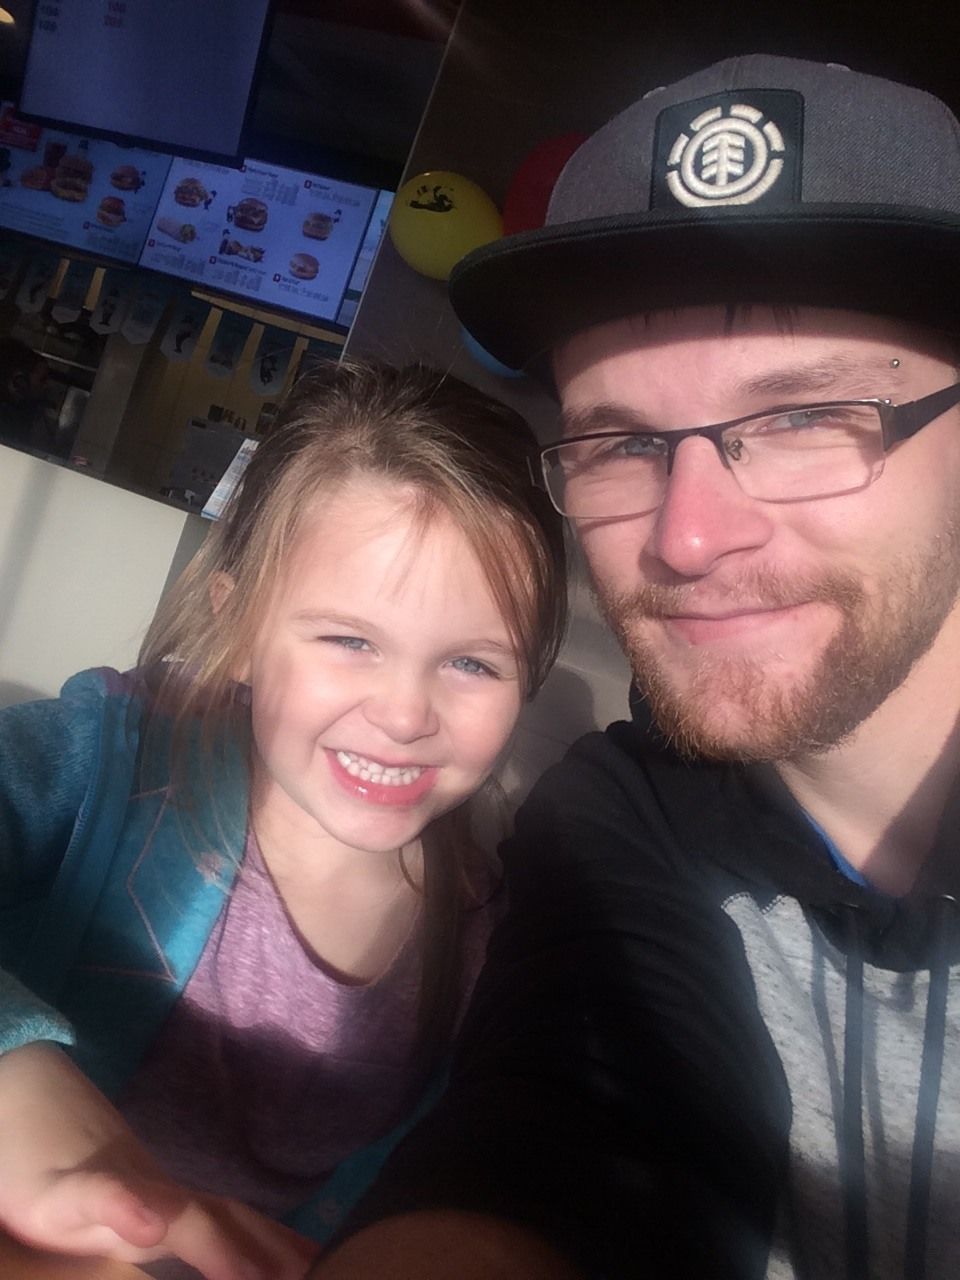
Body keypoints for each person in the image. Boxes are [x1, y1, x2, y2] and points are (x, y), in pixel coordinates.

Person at [310, 55, 960, 1280]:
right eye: (620, 442)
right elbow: (544, 1137)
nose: (688, 537)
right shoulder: (617, 819)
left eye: (802, 417)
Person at [0, 360, 566, 1278]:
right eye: (350, 640)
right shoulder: (104, 764)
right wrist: (15, 1072)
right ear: (243, 630)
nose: (405, 714)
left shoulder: (496, 955)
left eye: (473, 663)